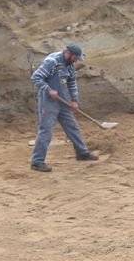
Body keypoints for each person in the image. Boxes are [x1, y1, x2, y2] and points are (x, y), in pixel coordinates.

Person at [30, 44, 98, 172]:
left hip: (63, 100)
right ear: (68, 53)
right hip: (48, 101)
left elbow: (72, 82)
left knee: (72, 126)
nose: (76, 60)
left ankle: (82, 153)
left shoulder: (70, 65)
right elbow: (36, 77)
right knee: (46, 130)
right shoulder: (52, 61)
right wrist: (49, 89)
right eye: (75, 58)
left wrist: (74, 100)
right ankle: (37, 162)